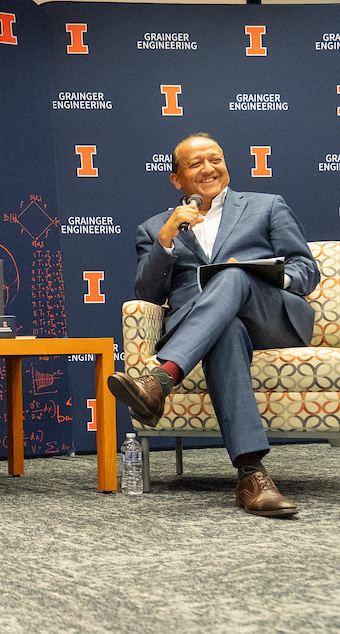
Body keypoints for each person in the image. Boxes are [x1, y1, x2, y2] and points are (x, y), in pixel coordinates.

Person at [108, 133, 319, 517]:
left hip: (272, 317)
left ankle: (162, 378)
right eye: (195, 164)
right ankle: (252, 475)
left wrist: (265, 277)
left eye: (215, 159)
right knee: (226, 332)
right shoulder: (156, 227)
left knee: (234, 277)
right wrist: (167, 239)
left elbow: (307, 271)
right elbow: (148, 294)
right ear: (177, 179)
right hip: (210, 330)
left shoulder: (267, 206)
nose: (209, 169)